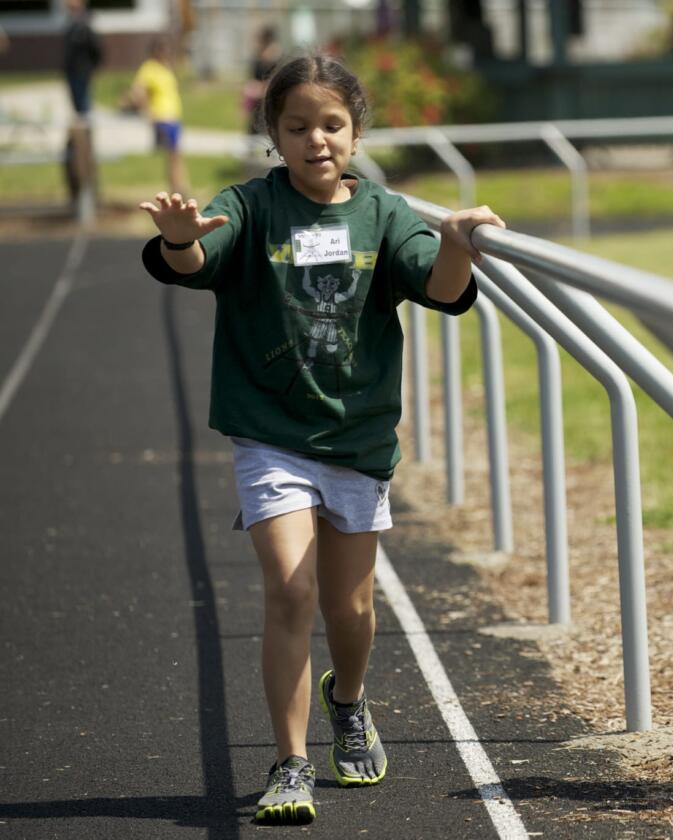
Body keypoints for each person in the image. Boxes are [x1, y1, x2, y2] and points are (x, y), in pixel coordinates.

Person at [138, 54, 505, 825]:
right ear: (273, 133)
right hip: (269, 433)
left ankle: (349, 699)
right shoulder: (251, 206)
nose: (316, 141)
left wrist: (458, 242)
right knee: (290, 590)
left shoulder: (382, 215)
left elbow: (438, 289)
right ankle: (290, 761)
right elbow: (198, 258)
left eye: (331, 125)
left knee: (350, 608)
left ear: (357, 131)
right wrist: (179, 240)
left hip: (357, 438)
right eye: (297, 126)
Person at [127, 36, 188, 195]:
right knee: (172, 155)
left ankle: (179, 187)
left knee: (176, 155)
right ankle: (177, 189)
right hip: (162, 117)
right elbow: (137, 91)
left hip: (173, 116)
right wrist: (147, 111)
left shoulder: (166, 68)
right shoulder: (149, 68)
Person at [63, 0, 103, 120]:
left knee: (84, 106)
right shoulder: (70, 26)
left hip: (83, 71)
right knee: (77, 106)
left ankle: (86, 135)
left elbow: (96, 49)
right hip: (72, 71)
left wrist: (93, 67)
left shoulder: (85, 26)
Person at [243, 24, 282, 135]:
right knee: (253, 130)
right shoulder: (258, 57)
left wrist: (261, 88)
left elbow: (276, 81)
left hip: (268, 99)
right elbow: (253, 77)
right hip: (257, 100)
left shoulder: (276, 57)